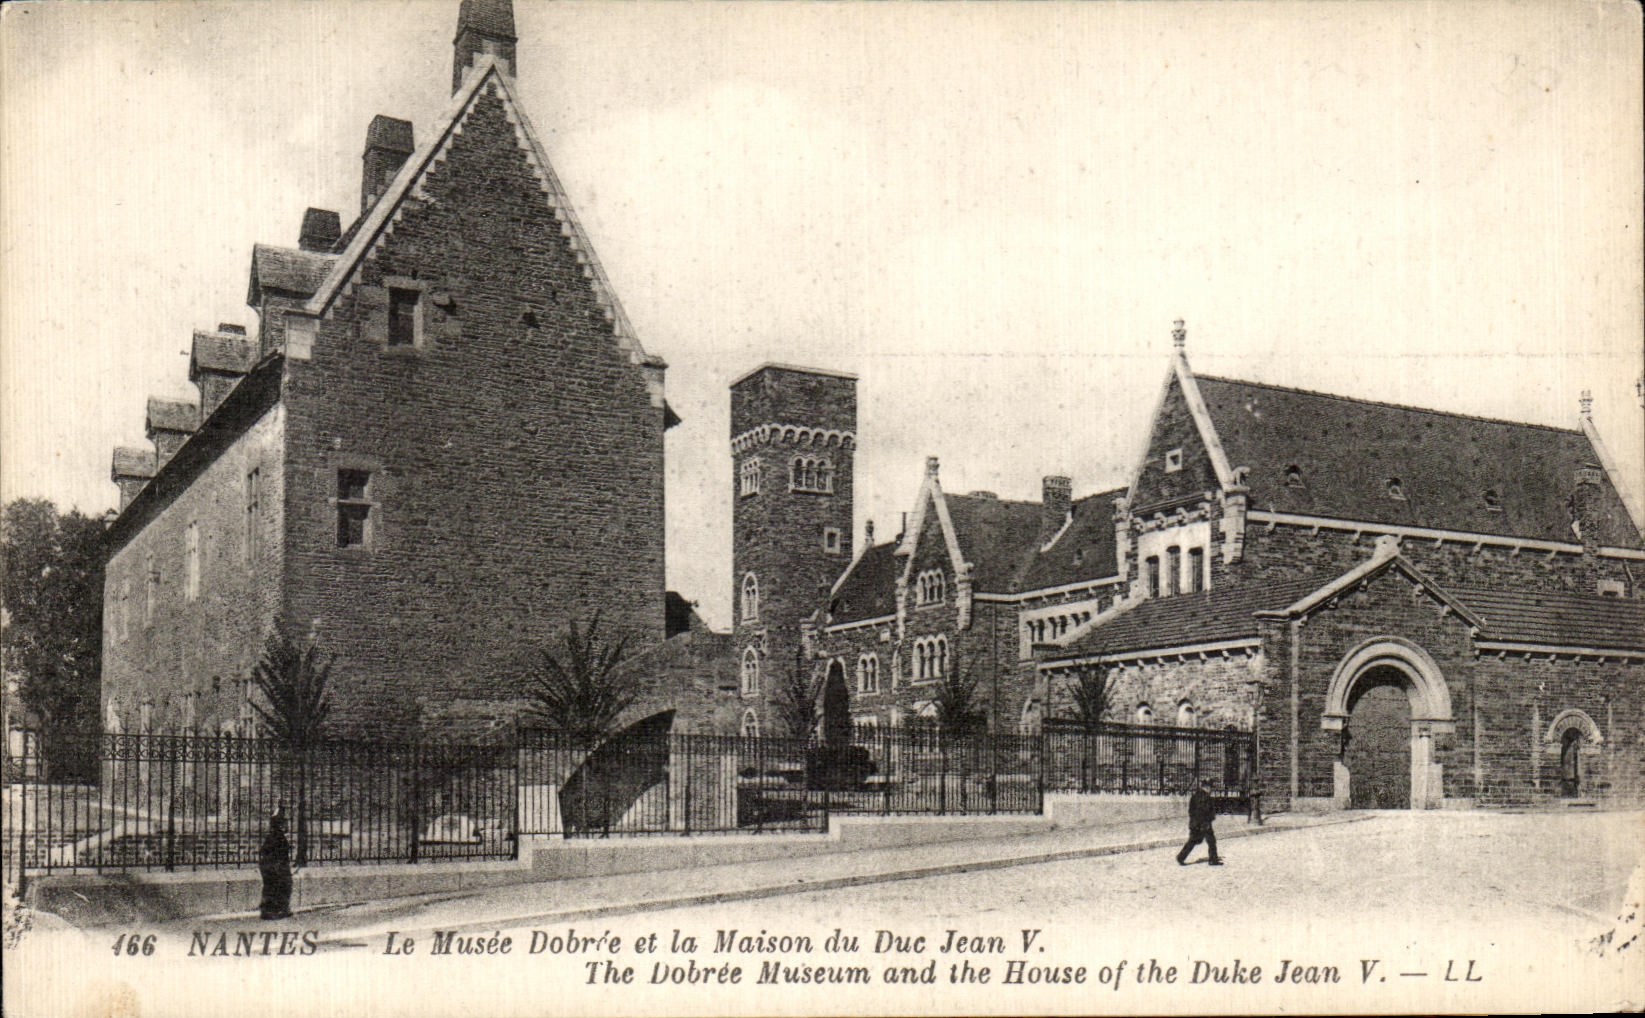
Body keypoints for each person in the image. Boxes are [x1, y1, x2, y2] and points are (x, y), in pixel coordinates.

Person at [1177, 778, 1223, 866]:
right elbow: (1205, 810)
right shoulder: (1206, 797)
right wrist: (1209, 818)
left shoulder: (1195, 796)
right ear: (1207, 787)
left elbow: (1191, 810)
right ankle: (1213, 860)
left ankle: (1180, 857)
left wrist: (1195, 820)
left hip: (1195, 823)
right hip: (1204, 824)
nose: (1211, 790)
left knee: (1193, 841)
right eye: (1210, 788)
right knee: (1211, 841)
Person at [258, 810, 295, 919]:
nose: (286, 825)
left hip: (269, 867)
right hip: (277, 867)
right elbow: (282, 853)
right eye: (284, 823)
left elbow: (263, 851)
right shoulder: (279, 837)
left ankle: (268, 911)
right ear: (280, 825)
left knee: (270, 888)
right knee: (283, 886)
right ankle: (279, 910)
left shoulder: (271, 836)